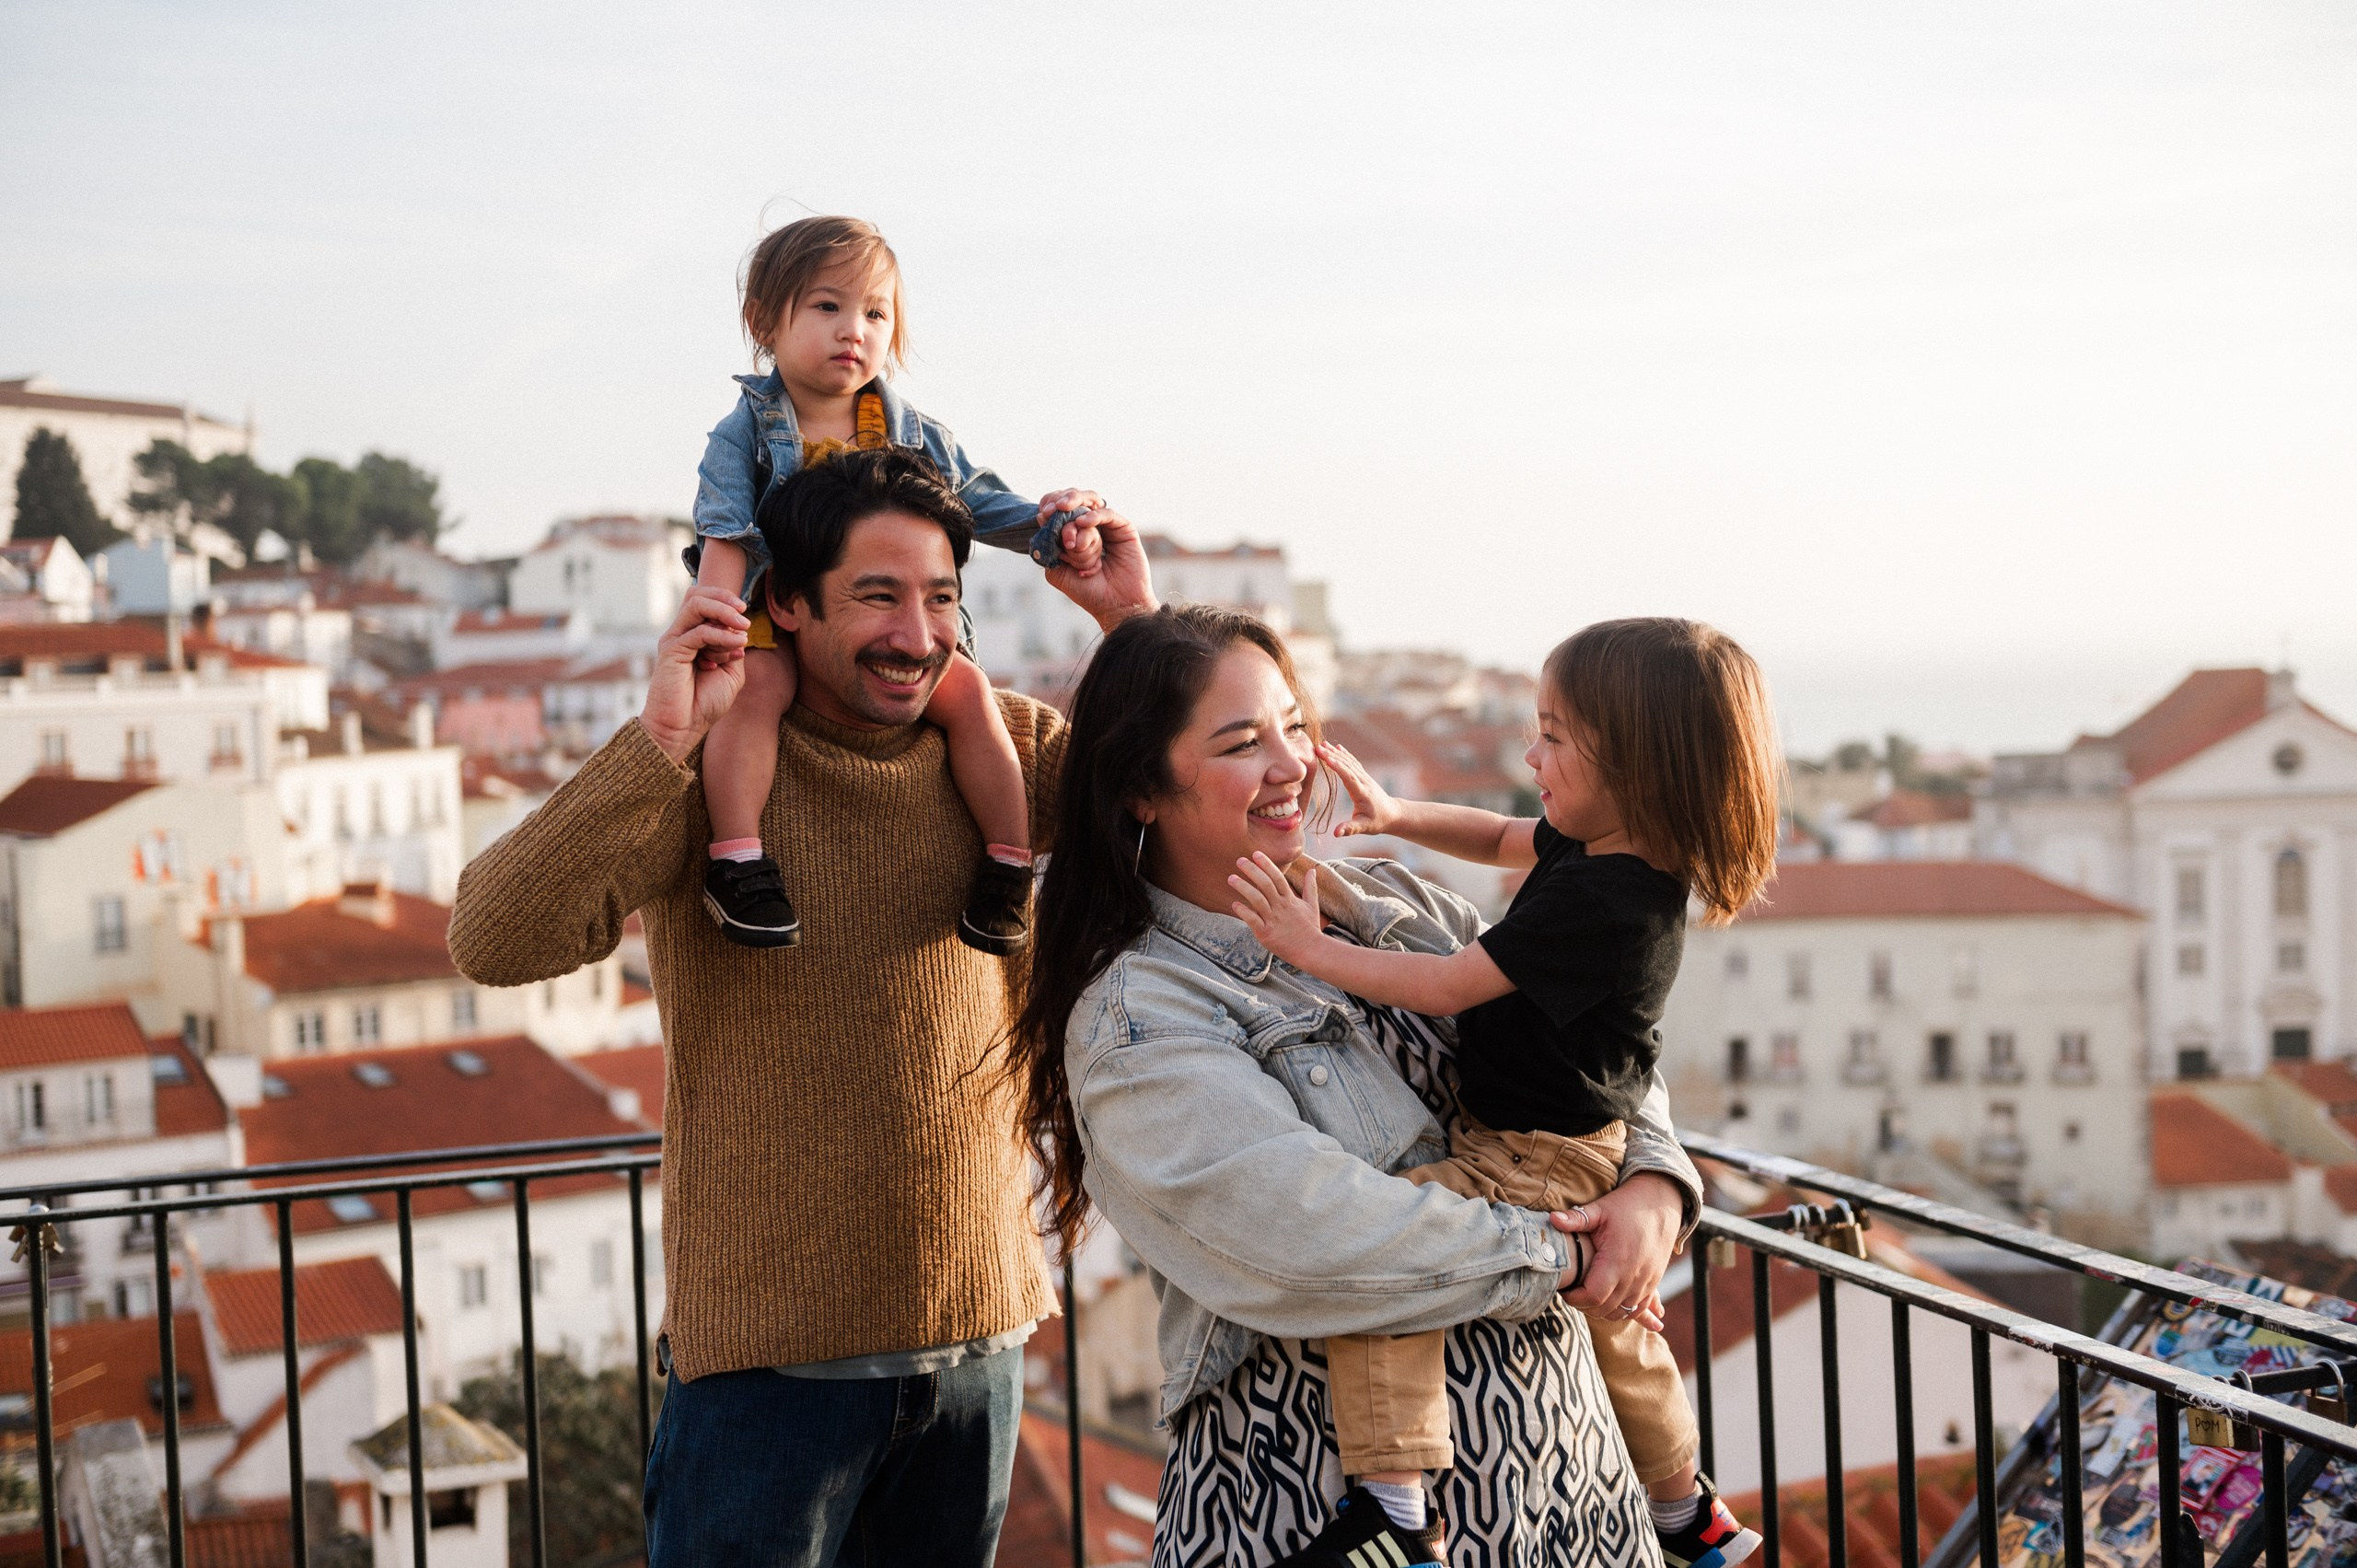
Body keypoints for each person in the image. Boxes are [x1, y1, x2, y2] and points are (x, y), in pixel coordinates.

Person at [447, 446, 1155, 1566]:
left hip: (977, 1348)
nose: (916, 634)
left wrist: (1132, 624)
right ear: (785, 601)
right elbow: (493, 934)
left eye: (940, 598)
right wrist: (661, 739)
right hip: (766, 1377)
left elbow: (1188, 809)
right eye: (876, 596)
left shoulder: (1006, 747)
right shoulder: (706, 770)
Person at [1010, 605, 1706, 1566]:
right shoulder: (1141, 1016)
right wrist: (1572, 1250)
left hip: (1569, 1498)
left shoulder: (1394, 900)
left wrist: (1655, 1186)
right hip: (1307, 1510)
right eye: (1242, 743)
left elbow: (1597, 1036)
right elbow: (1315, 1241)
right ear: (1142, 789)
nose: (1293, 763)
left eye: (1295, 725)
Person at [1226, 617, 1781, 1568]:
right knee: (1619, 1327)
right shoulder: (1603, 844)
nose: (1531, 753)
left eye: (1554, 735)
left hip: (1533, 1149)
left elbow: (1447, 985)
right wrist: (1394, 811)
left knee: (1383, 1258)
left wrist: (1309, 948)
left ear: (1637, 763)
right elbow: (1494, 834)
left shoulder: (1605, 902)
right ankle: (1688, 1510)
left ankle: (1396, 1504)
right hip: (1572, 1137)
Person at [689, 214, 1107, 954]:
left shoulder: (913, 431)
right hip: (770, 611)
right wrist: (716, 628)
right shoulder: (745, 431)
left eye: (875, 314)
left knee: (970, 695)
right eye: (828, 306)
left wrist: (1054, 528)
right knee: (751, 696)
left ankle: (1008, 865)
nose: (854, 329)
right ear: (762, 321)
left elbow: (979, 502)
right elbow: (728, 532)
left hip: (861, 623)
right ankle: (740, 859)